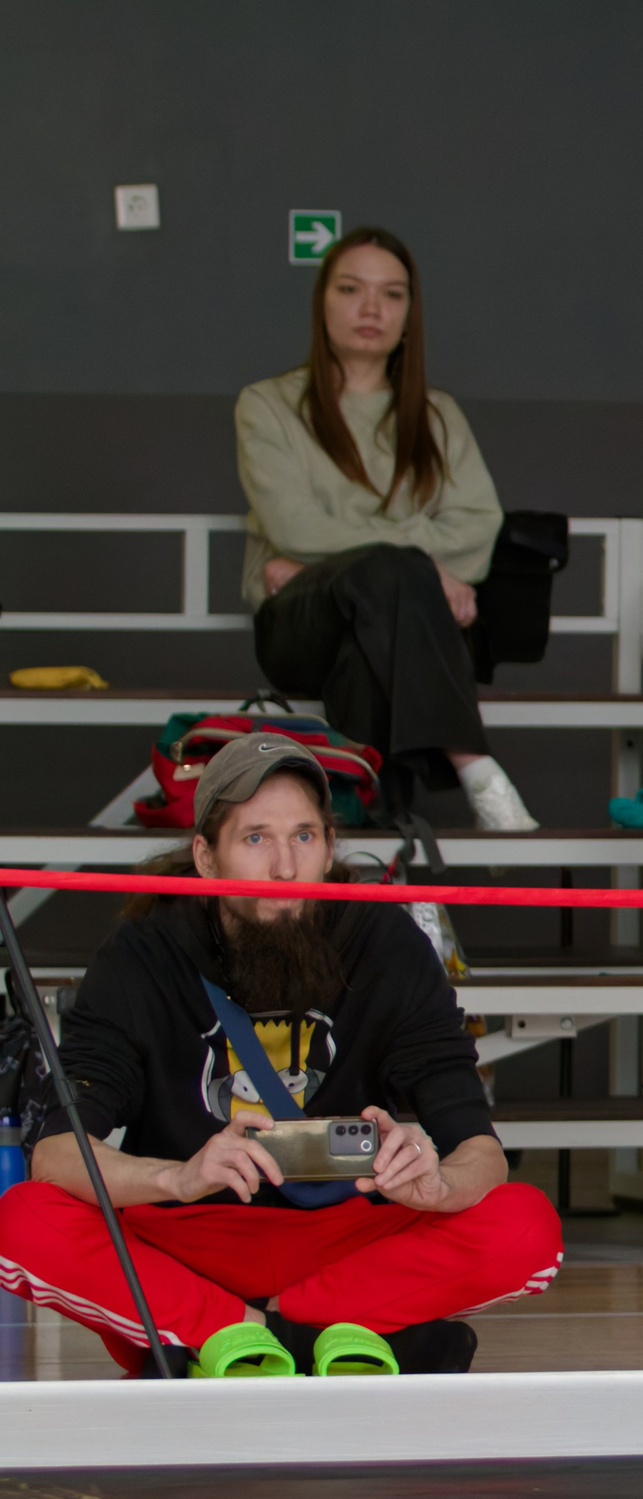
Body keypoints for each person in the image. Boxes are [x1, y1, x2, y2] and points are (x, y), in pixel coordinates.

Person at [0, 736, 562, 1376]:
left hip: (349, 1240)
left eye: (303, 837)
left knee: (526, 1224)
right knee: (22, 1220)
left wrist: (437, 1185)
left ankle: (241, 1340)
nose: (285, 868)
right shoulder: (142, 951)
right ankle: (291, 1335)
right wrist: (177, 1177)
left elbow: (481, 1153)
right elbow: (56, 1154)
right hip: (191, 1236)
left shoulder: (385, 939)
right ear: (206, 857)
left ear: (330, 848)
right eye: (256, 838)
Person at [237, 227, 537, 830]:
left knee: (369, 643)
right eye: (351, 289)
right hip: (298, 625)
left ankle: (369, 837)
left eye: (392, 294)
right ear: (323, 301)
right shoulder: (266, 405)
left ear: (409, 314)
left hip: (380, 633)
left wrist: (358, 562)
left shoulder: (436, 415)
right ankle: (472, 760)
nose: (372, 308)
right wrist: (419, 561)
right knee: (391, 575)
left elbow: (480, 527)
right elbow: (293, 525)